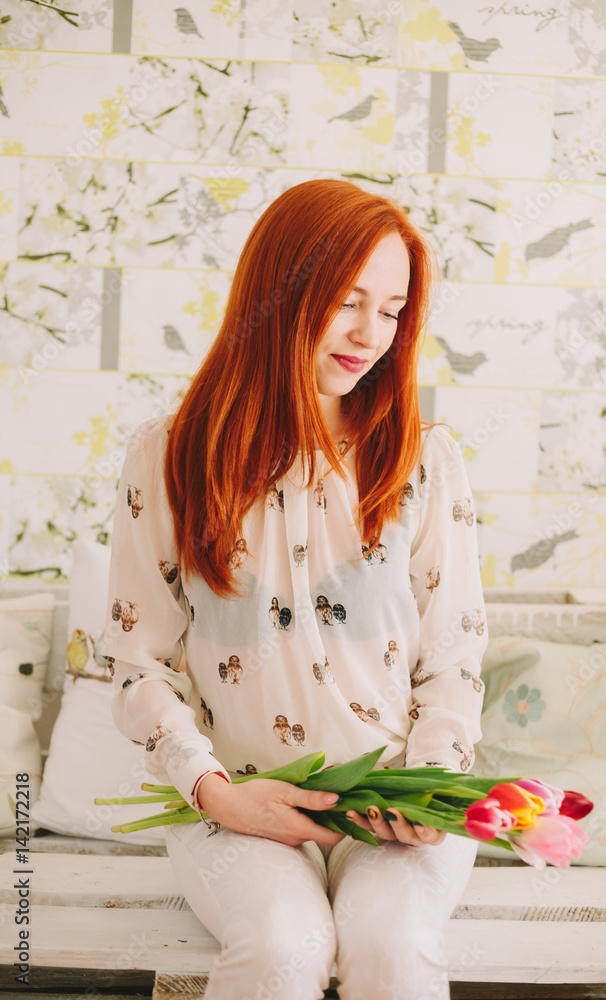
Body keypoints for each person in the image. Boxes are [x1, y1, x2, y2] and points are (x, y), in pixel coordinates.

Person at [102, 178, 487, 1000]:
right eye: (347, 302)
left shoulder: (422, 459)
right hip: (231, 799)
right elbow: (138, 663)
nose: (369, 335)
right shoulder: (169, 456)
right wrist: (215, 793)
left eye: (391, 311)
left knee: (391, 942)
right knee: (283, 946)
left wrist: (427, 788)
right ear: (277, 292)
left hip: (392, 796)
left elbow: (453, 657)